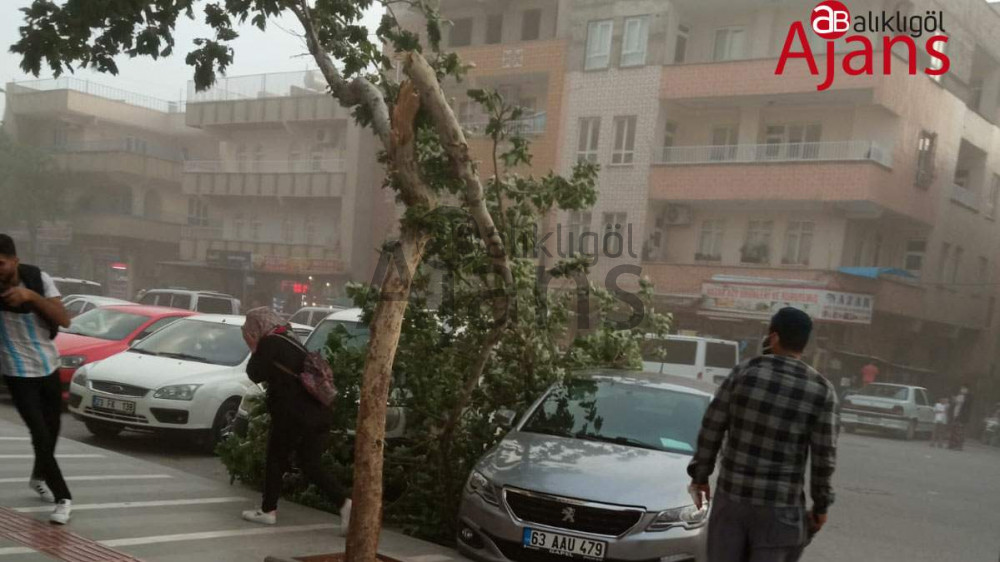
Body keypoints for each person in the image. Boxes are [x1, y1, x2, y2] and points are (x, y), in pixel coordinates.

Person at [688, 308, 838, 562]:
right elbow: (824, 458)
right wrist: (821, 506)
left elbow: (712, 427)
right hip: (780, 510)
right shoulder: (821, 390)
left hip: (731, 503)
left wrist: (700, 477)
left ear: (774, 337)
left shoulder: (743, 373)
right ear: (804, 343)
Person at [239, 307, 352, 534]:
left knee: (275, 458)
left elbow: (255, 373)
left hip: (292, 415)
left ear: (256, 328)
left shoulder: (270, 343)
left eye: (248, 331)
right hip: (319, 412)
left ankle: (268, 511)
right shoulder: (290, 339)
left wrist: (254, 347)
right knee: (310, 463)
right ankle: (345, 504)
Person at [0, 234, 73, 524]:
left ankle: (37, 477)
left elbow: (63, 318)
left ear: (15, 261)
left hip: (48, 366)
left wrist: (30, 297)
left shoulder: (37, 279)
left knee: (52, 431)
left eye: (1, 263)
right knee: (39, 435)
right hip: (17, 373)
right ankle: (63, 497)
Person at [948, 385, 974, 451]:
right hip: (955, 415)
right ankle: (952, 444)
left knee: (960, 432)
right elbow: (954, 402)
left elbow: (966, 403)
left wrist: (959, 399)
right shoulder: (959, 396)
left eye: (964, 388)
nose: (962, 390)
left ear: (967, 389)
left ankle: (959, 446)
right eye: (962, 388)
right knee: (953, 431)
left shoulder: (969, 396)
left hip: (962, 417)